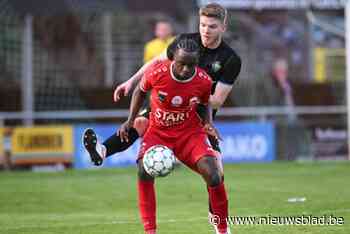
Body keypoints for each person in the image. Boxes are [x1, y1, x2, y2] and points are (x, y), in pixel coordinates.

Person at [83, 3, 241, 167]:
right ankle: (101, 151)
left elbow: (216, 100)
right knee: (140, 122)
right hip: (167, 104)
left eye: (212, 27)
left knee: (216, 172)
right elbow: (156, 61)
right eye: (203, 25)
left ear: (223, 27)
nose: (206, 30)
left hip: (199, 116)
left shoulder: (231, 59)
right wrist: (132, 81)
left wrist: (190, 95)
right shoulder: (184, 42)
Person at [119, 38, 229, 234]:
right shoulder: (157, 72)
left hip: (189, 134)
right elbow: (139, 92)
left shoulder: (203, 80)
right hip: (158, 133)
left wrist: (208, 123)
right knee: (143, 171)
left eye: (191, 65)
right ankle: (150, 230)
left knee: (214, 175)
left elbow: (205, 103)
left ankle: (222, 229)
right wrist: (130, 120)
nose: (186, 69)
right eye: (182, 64)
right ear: (172, 59)